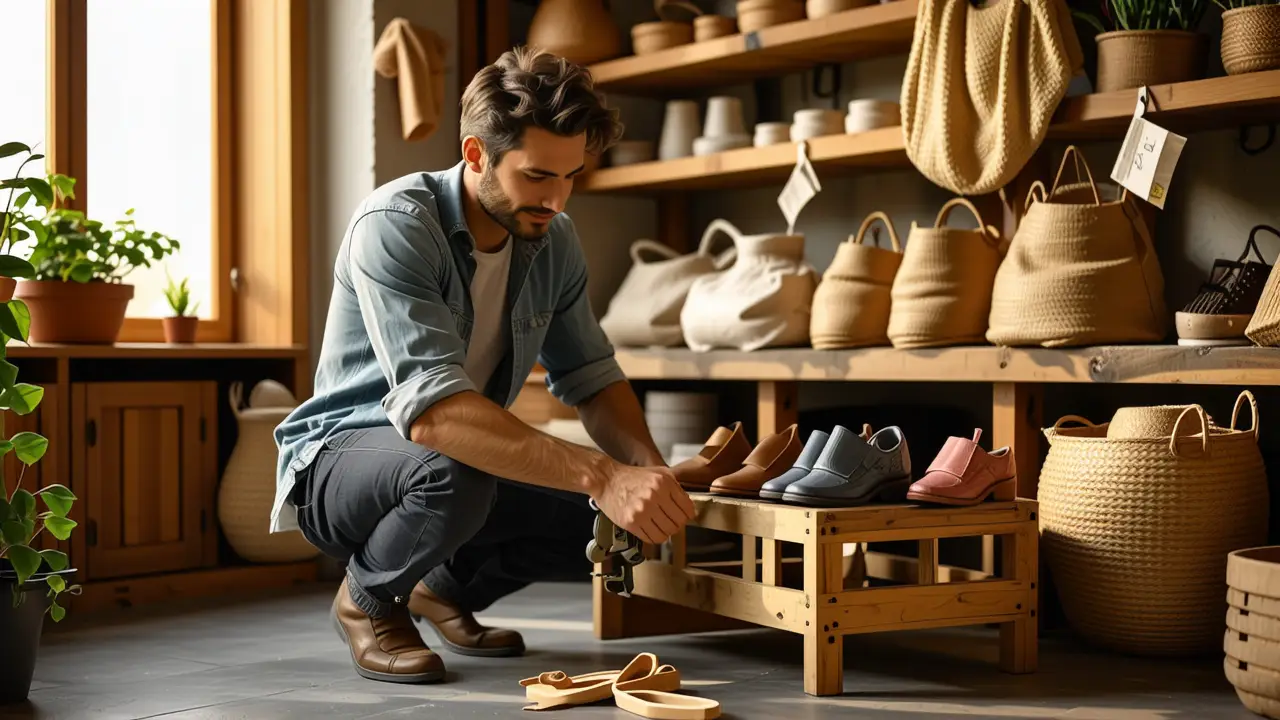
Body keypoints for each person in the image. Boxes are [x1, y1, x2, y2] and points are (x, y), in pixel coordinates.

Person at [270, 46, 696, 685]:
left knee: (603, 521)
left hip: (452, 458)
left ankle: (439, 587)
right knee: (454, 471)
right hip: (338, 464)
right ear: (476, 155)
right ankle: (367, 600)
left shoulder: (556, 240)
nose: (556, 200)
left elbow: (591, 377)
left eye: (570, 175)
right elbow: (436, 419)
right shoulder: (396, 224)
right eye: (536, 176)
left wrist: (646, 473)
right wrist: (601, 473)